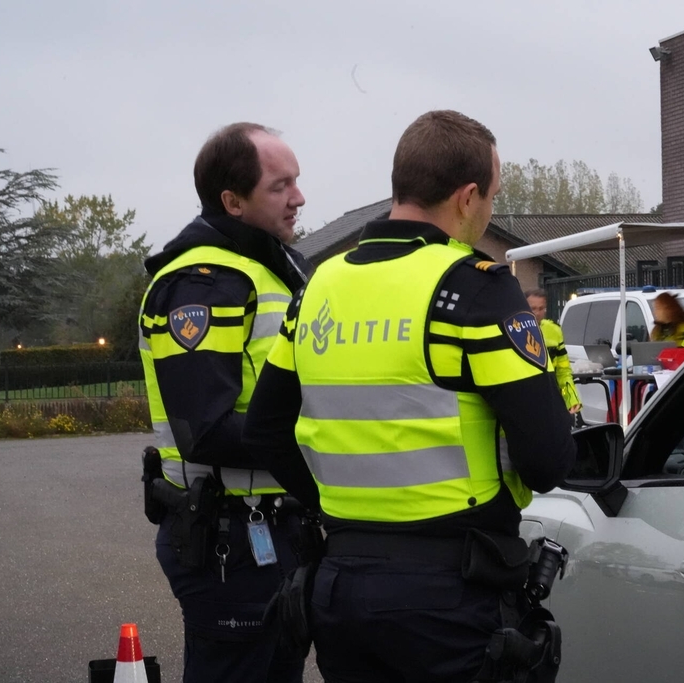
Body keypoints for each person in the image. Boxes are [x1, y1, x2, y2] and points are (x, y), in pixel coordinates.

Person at [243, 110, 577, 683]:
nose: (489, 211)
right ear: (468, 197)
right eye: (492, 197)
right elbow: (547, 461)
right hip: (448, 597)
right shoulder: (474, 286)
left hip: (341, 585)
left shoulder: (320, 284)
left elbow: (265, 429)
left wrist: (336, 505)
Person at [138, 122, 313, 683]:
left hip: (269, 531)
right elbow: (204, 429)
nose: (299, 197)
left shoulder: (266, 270)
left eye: (297, 181)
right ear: (232, 201)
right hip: (230, 541)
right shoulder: (203, 284)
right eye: (279, 186)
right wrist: (322, 440)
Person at [525, 288, 582, 414]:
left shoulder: (554, 331)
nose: (537, 313)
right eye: (533, 308)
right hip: (524, 398)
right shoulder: (514, 330)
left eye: (541, 308)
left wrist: (571, 399)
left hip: (549, 396)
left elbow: (563, 371)